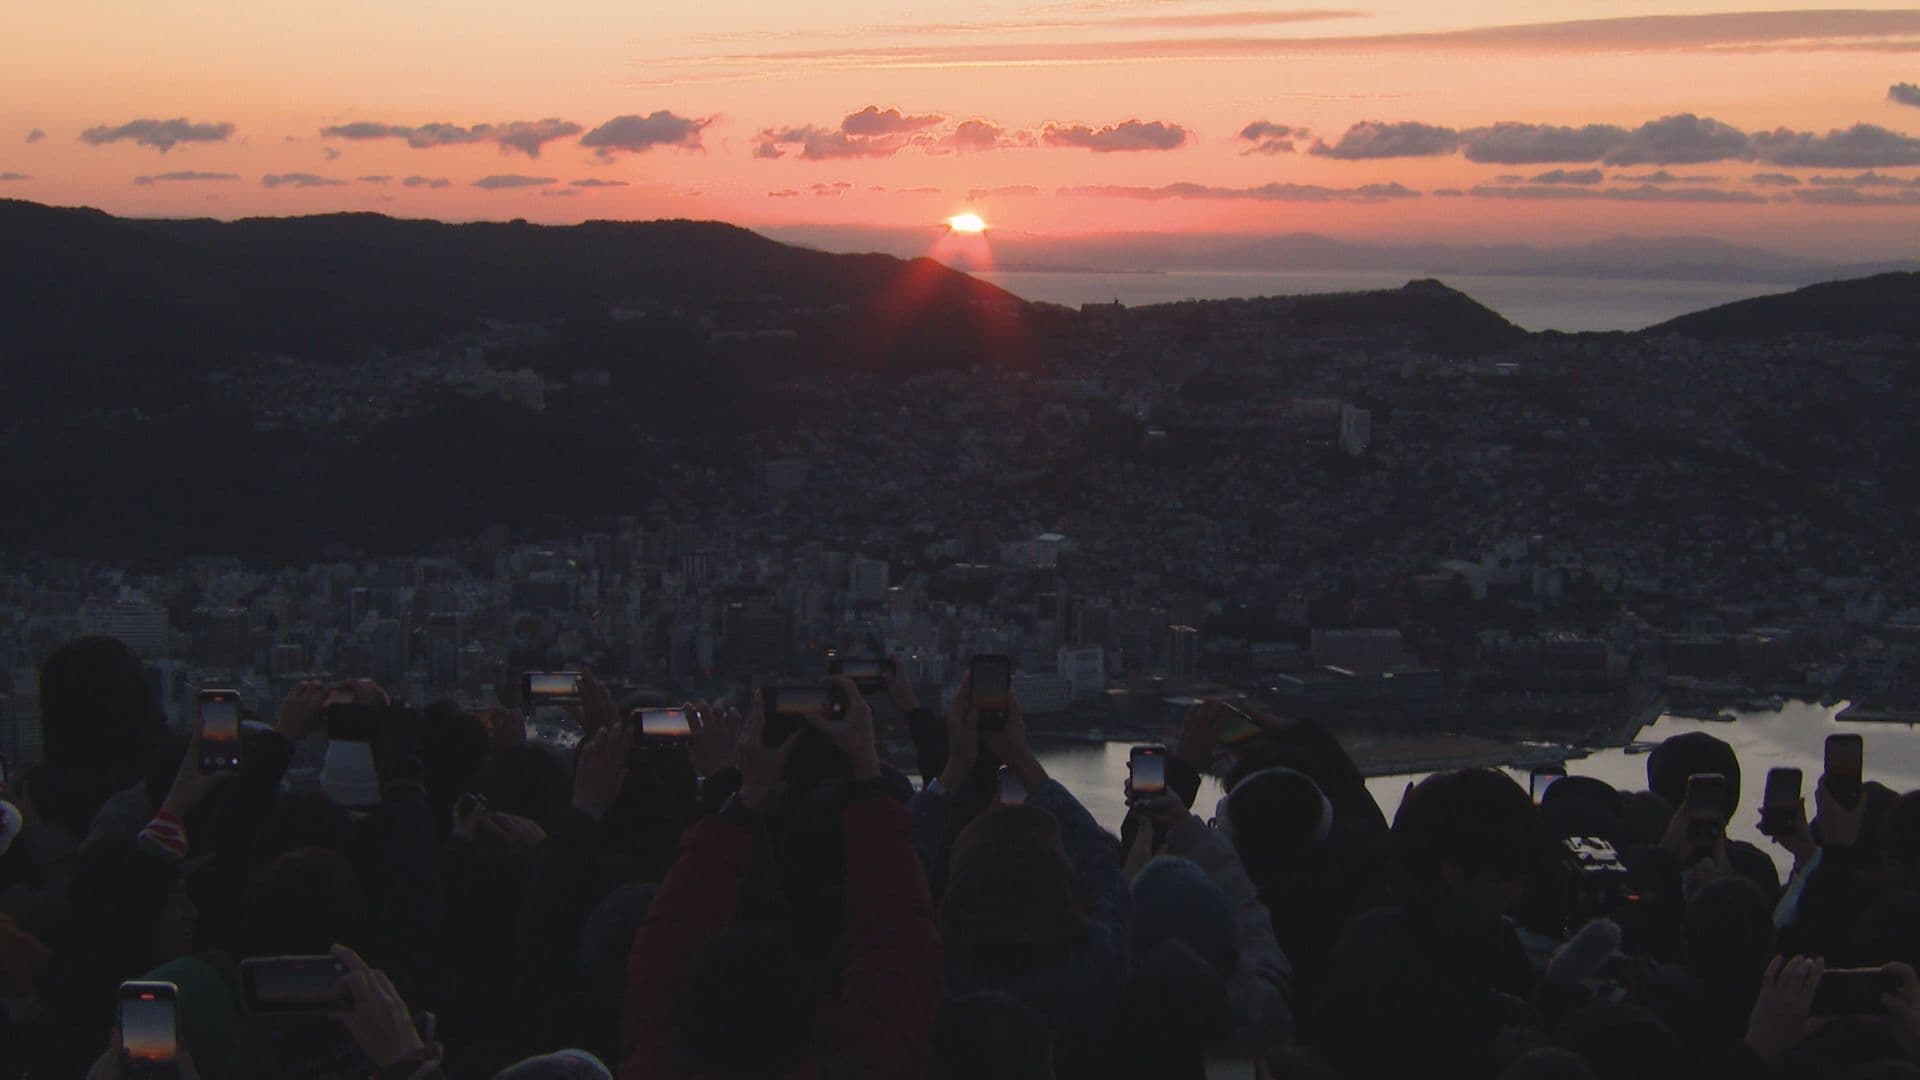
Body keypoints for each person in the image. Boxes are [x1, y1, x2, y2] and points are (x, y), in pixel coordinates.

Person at [620, 677, 940, 1078]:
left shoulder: (651, 1065)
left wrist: (745, 794)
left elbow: (665, 944)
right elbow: (897, 931)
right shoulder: (872, 1063)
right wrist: (865, 767)